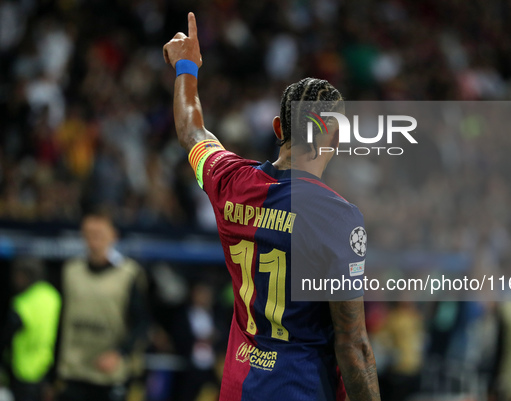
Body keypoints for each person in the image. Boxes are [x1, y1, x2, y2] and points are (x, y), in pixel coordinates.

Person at [163, 12, 380, 401]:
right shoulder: (338, 218)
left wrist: (186, 66)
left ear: (279, 128)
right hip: (301, 390)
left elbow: (190, 130)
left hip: (237, 387)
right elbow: (354, 345)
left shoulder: (229, 180)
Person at [54, 213, 149, 401]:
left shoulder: (129, 274)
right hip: (74, 370)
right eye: (89, 233)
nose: (93, 238)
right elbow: (58, 320)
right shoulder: (70, 271)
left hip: (109, 375)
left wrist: (120, 353)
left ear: (114, 235)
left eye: (99, 233)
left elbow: (142, 322)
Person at [0, 258, 61, 401]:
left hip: (23, 371)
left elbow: (5, 337)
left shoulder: (23, 303)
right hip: (45, 366)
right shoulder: (52, 295)